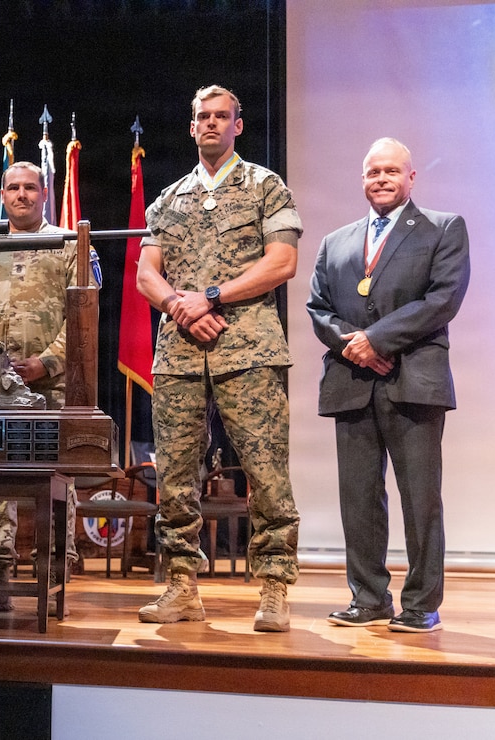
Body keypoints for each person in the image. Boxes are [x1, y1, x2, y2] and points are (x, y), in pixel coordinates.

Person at [136, 85, 302, 631]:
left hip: (248, 349)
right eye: (202, 117)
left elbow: (282, 262)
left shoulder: (264, 186)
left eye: (221, 116)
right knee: (176, 475)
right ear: (191, 127)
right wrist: (181, 308)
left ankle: (274, 586)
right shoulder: (168, 198)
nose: (211, 123)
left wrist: (211, 297)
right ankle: (181, 585)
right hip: (180, 355)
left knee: (266, 470)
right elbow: (146, 274)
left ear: (238, 125)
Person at [307, 138, 470, 633]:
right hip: (351, 381)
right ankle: (369, 598)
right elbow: (318, 308)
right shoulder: (336, 240)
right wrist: (353, 346)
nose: (381, 178)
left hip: (413, 381)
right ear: (362, 179)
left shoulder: (444, 228)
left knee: (420, 498)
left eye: (391, 171)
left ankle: (421, 604)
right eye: (373, 171)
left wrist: (376, 340)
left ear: (411, 177)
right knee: (357, 498)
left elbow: (443, 299)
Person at [0, 160, 100, 617]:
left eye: (30, 188)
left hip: (51, 388)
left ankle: (54, 583)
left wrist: (45, 362)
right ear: (2, 193)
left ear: (45, 192)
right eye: (12, 187)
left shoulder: (69, 247)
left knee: (54, 485)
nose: (21, 195)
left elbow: (84, 315)